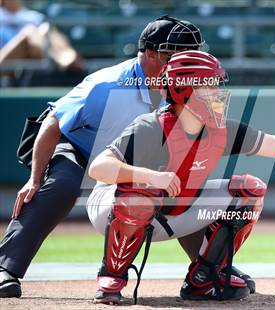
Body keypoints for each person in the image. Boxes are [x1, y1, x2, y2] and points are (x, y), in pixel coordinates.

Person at [86, 50, 275, 305]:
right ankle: (112, 277)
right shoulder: (150, 126)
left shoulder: (220, 129)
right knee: (141, 193)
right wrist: (152, 177)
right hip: (112, 208)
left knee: (248, 192)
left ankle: (203, 278)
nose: (217, 93)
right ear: (183, 90)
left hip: (174, 211)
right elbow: (99, 168)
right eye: (208, 85)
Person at [0, 15, 208, 298]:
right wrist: (34, 179)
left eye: (192, 55)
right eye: (178, 55)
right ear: (150, 54)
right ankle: (5, 268)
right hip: (78, 148)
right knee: (61, 185)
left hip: (123, 157)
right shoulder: (107, 84)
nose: (187, 62)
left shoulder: (187, 87)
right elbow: (53, 122)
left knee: (178, 184)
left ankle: (208, 268)